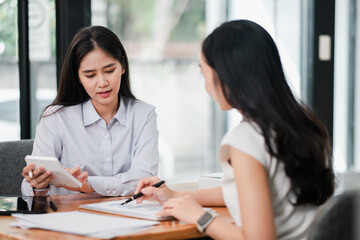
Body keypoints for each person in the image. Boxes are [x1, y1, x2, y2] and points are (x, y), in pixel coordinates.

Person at [134, 20, 335, 240]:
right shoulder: (301, 124)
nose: (206, 85)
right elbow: (247, 192)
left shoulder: (245, 139)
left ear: (227, 75)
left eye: (204, 73)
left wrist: (201, 217)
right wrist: (175, 195)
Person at [21, 26, 159, 197]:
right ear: (78, 77)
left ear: (122, 66)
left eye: (109, 71)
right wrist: (37, 185)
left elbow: (145, 178)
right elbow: (29, 190)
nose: (102, 83)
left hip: (127, 216)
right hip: (69, 218)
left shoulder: (144, 114)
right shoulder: (56, 118)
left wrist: (90, 184)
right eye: (90, 75)